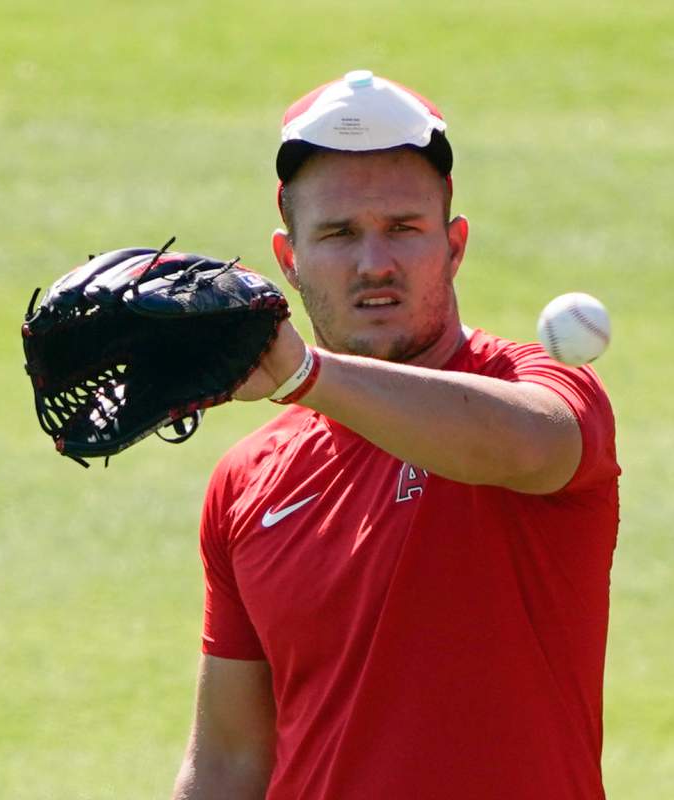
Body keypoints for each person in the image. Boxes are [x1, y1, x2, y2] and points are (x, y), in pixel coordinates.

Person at [171, 70, 620, 800]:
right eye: (340, 233)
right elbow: (227, 761)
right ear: (289, 260)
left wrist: (307, 376)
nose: (374, 263)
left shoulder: (531, 390)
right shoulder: (249, 479)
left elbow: (528, 447)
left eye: (403, 229)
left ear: (454, 244)